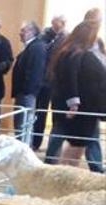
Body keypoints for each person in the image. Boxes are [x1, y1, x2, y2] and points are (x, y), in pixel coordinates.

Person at [47, 20, 105, 171]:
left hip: (84, 108)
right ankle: (63, 177)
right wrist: (74, 103)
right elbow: (70, 79)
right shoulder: (75, 54)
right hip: (81, 110)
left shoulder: (70, 52)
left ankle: (64, 174)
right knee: (75, 148)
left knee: (77, 145)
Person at [33, 15, 68, 151]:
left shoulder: (67, 38)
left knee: (57, 114)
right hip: (44, 80)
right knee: (40, 113)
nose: (58, 25)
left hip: (57, 82)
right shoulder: (44, 36)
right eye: (55, 23)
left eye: (60, 23)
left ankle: (54, 146)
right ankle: (36, 141)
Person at [11, 21, 47, 137]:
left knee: (24, 125)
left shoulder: (37, 47)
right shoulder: (31, 47)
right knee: (20, 124)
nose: (20, 33)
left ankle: (23, 151)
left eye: (23, 30)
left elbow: (35, 72)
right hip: (23, 93)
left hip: (27, 93)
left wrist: (27, 91)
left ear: (32, 32)